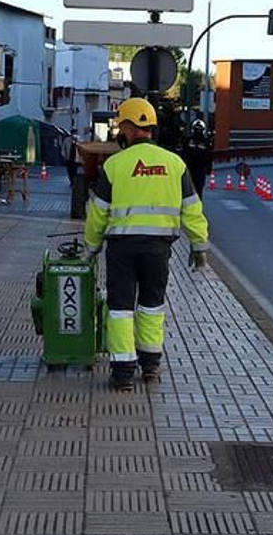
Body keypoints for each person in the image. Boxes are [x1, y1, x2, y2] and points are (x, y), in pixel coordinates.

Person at [84, 97, 209, 392]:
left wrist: (91, 248)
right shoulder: (174, 164)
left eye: (121, 126)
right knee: (152, 306)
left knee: (120, 309)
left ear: (128, 126)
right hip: (159, 249)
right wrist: (199, 245)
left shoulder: (115, 165)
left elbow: (98, 212)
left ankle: (123, 373)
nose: (120, 131)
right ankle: (151, 366)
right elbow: (191, 207)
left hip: (122, 250)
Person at [182, 119, 213, 196]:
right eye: (197, 129)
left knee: (194, 191)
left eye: (199, 130)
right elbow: (184, 153)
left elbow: (209, 156)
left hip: (198, 170)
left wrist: (208, 168)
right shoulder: (188, 140)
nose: (198, 131)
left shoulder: (206, 142)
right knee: (191, 191)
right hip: (191, 169)